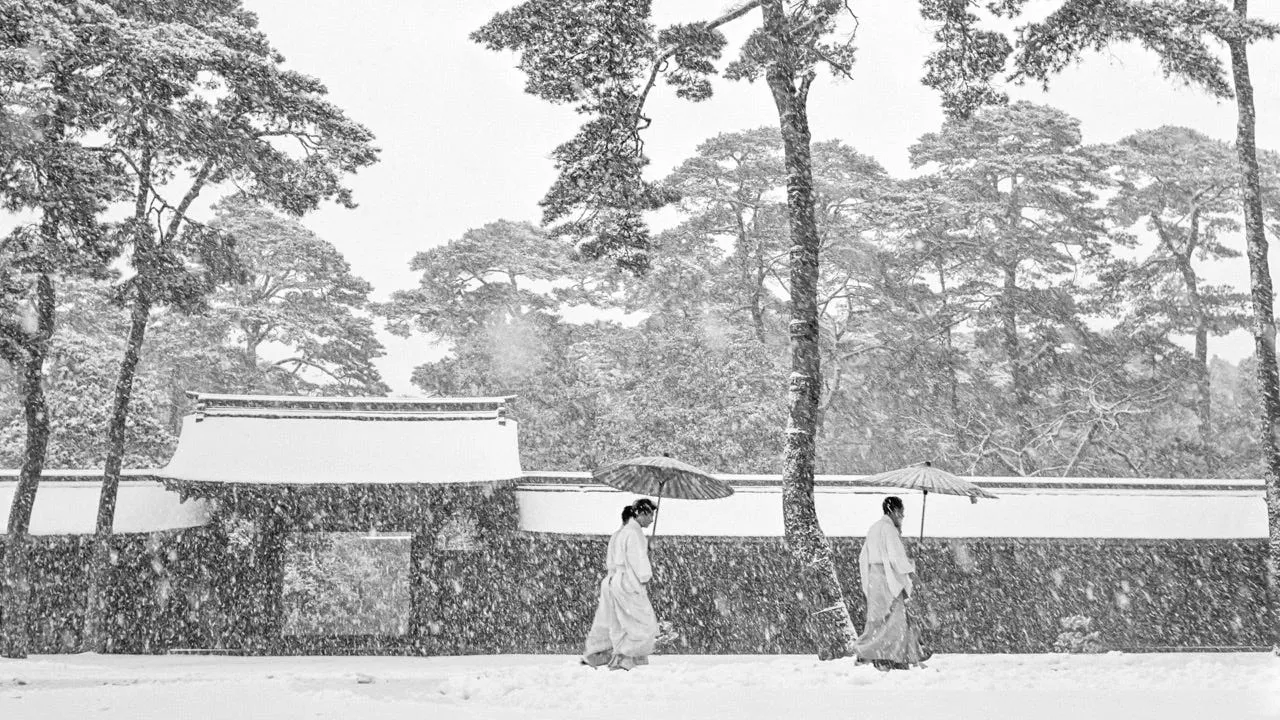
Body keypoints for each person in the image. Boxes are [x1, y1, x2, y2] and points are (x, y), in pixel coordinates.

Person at [581, 498, 660, 671]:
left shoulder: (622, 533)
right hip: (627, 581)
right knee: (643, 623)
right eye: (650, 514)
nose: (652, 519)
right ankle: (624, 656)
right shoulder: (634, 533)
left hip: (615, 579)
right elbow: (639, 563)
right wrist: (646, 571)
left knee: (615, 621)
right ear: (641, 513)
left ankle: (603, 653)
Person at [852, 496, 929, 671]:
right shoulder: (889, 530)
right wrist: (911, 567)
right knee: (896, 621)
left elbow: (864, 555)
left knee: (877, 620)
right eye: (901, 513)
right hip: (888, 579)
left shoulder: (874, 528)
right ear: (894, 511)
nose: (902, 517)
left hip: (874, 578)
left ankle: (874, 652)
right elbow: (896, 558)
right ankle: (892, 655)